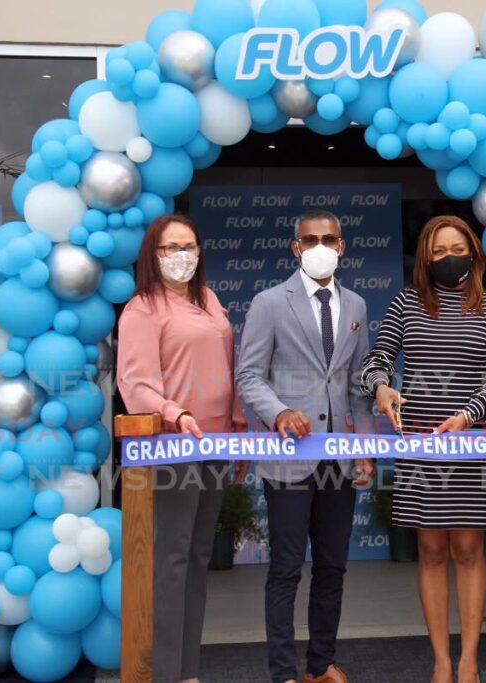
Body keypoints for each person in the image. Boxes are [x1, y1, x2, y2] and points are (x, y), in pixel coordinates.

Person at [362, 216, 486, 683]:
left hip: (473, 442)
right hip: (421, 442)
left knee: (470, 549)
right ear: (426, 260)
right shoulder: (406, 304)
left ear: (474, 250)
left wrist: (469, 416)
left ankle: (469, 661)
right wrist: (381, 388)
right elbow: (377, 358)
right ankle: (440, 661)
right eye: (438, 251)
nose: (450, 257)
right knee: (430, 550)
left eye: (457, 247)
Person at [235, 209, 374, 683]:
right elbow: (249, 375)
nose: (320, 246)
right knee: (286, 570)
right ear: (296, 248)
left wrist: (366, 447)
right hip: (288, 458)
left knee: (333, 568)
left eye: (328, 238)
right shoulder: (269, 302)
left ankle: (320, 664)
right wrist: (277, 413)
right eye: (310, 239)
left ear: (342, 246)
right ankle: (283, 673)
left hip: (338, 458)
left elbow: (357, 384)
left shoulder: (355, 305)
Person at [116, 214, 248, 683]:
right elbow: (134, 385)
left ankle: (187, 670)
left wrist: (237, 428)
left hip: (215, 442)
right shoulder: (142, 308)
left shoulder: (208, 300)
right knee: (170, 560)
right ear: (153, 255)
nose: (182, 256)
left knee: (196, 558)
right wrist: (177, 414)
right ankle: (165, 673)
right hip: (172, 447)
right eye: (170, 248)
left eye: (190, 247)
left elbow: (227, 368)